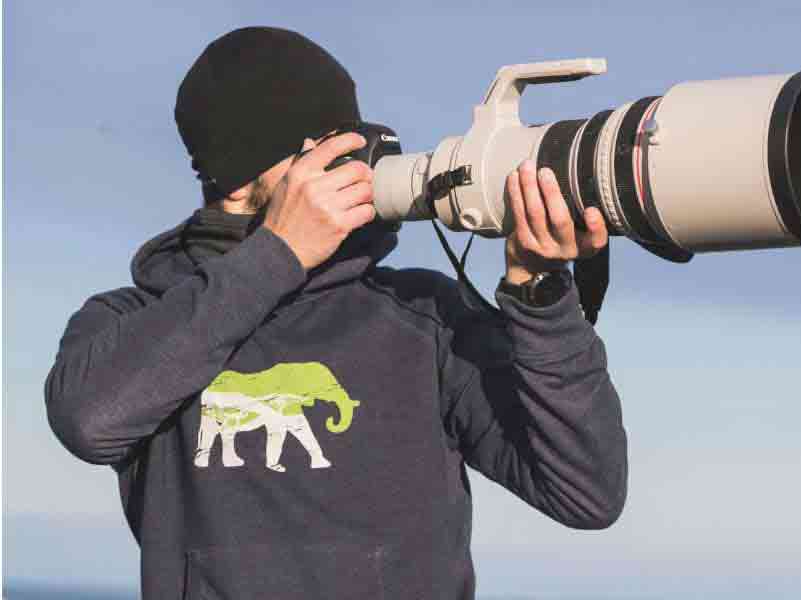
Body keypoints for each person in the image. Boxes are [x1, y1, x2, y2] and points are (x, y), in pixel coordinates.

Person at [44, 26, 627, 600]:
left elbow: (586, 493)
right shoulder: (132, 320)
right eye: (325, 150)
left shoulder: (422, 318)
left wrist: (539, 296)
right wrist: (279, 254)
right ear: (246, 173)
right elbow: (90, 421)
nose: (353, 166)